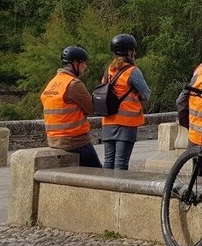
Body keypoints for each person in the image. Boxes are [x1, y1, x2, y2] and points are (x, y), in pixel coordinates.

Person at [41, 46, 101, 168]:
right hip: (74, 141)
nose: (86, 67)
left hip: (53, 139)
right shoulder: (74, 84)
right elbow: (91, 108)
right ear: (75, 63)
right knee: (98, 172)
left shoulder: (52, 83)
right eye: (84, 63)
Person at [101, 34, 150, 170]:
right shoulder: (132, 71)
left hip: (108, 121)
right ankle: (117, 191)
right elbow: (146, 94)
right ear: (130, 51)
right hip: (126, 122)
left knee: (108, 162)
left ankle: (106, 189)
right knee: (121, 163)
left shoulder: (108, 70)